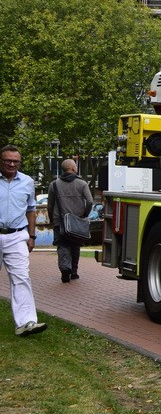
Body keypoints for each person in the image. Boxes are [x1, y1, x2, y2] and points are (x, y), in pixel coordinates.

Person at [0, 144, 46, 336]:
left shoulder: (27, 181)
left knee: (21, 277)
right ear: (1, 161)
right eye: (8, 160)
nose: (12, 164)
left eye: (15, 161)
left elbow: (31, 210)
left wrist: (32, 236)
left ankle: (26, 322)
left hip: (18, 235)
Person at [48, 158, 93, 283]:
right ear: (73, 169)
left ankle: (64, 269)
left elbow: (50, 206)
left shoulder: (54, 185)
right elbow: (89, 201)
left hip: (59, 221)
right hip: (77, 221)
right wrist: (84, 214)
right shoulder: (82, 184)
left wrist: (52, 220)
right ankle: (74, 272)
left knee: (62, 245)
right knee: (75, 246)